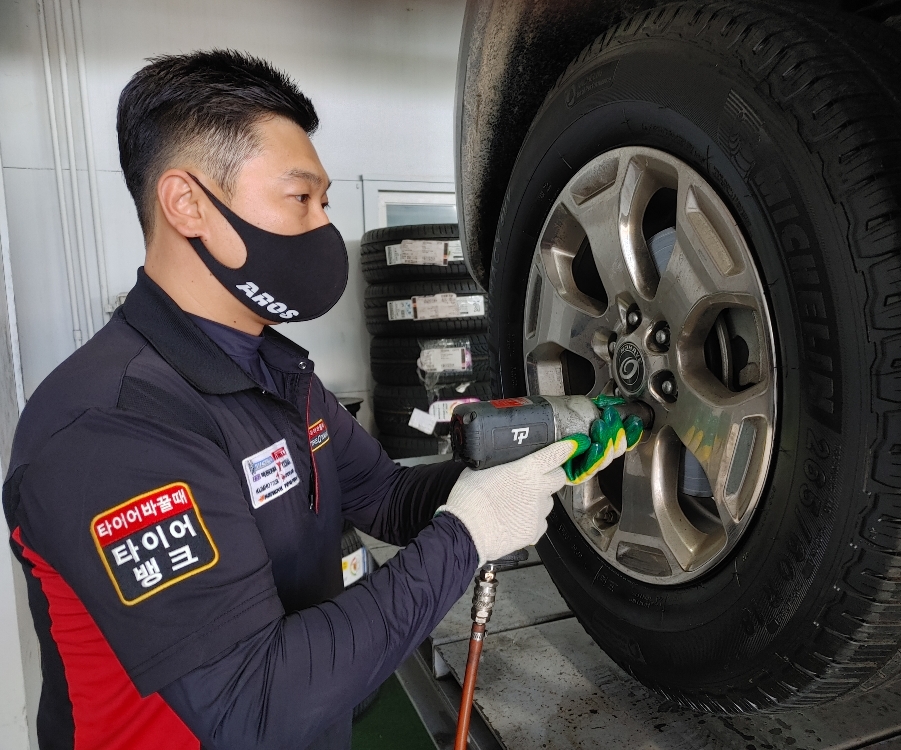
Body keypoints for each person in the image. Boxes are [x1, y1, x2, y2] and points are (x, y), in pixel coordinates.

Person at [2, 50, 636, 750]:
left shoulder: (277, 373)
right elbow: (257, 704)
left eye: (325, 202)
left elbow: (388, 501)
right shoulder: (111, 426)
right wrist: (468, 536)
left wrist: (517, 459)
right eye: (300, 199)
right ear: (187, 204)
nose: (324, 228)